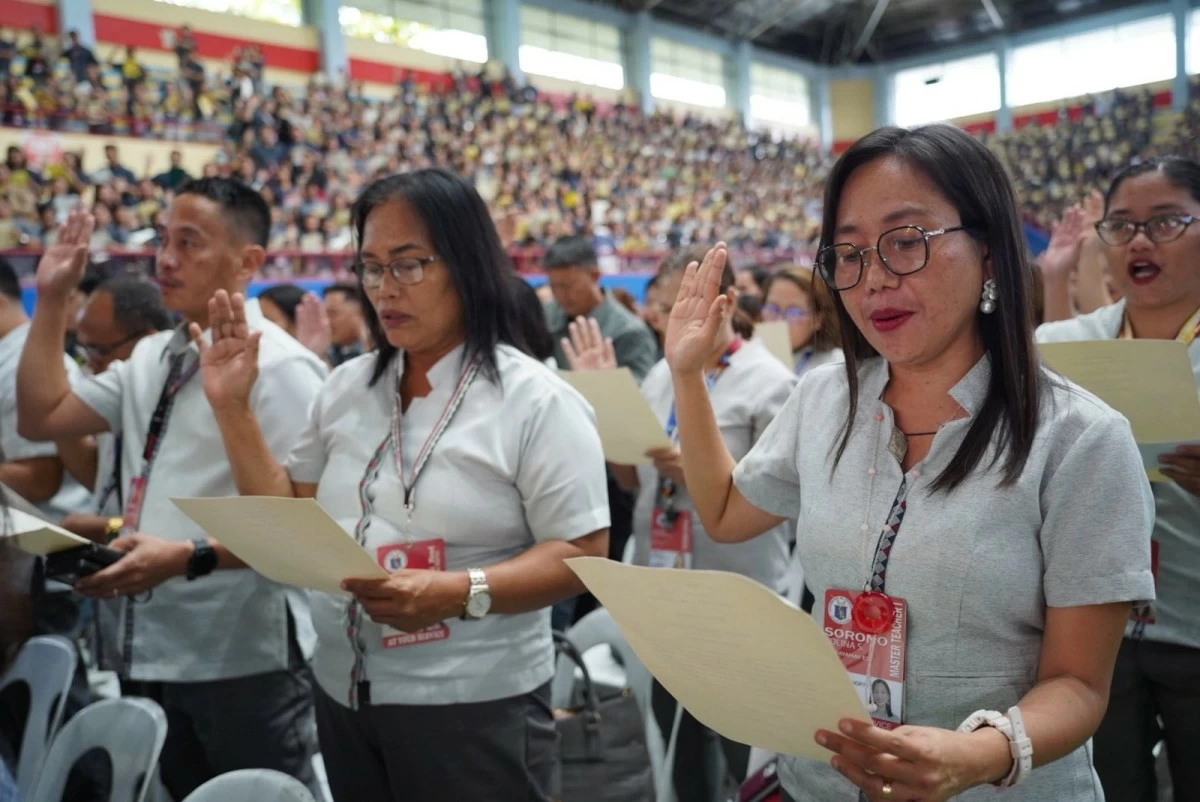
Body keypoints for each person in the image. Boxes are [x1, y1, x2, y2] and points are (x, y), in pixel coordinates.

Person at [664, 124, 1154, 801]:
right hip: (823, 781)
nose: (873, 282)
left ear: (986, 251)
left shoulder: (1080, 439)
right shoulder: (823, 398)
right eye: (850, 254)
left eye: (906, 242)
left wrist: (979, 753)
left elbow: (1078, 683)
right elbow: (722, 511)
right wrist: (689, 377)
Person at [195, 168, 610, 802]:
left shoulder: (536, 402)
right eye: (372, 268)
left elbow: (584, 554)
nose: (386, 289)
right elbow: (289, 514)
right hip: (342, 689)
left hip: (472, 701)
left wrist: (457, 592)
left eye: (409, 265)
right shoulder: (347, 387)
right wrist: (232, 408)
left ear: (467, 265)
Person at [15, 180, 326, 800]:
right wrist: (51, 300)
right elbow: (41, 416)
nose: (166, 259)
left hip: (239, 653)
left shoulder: (287, 368)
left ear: (249, 261)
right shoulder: (156, 353)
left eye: (190, 242)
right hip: (148, 639)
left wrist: (186, 555)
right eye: (162, 240)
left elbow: (302, 528)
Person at [563, 244, 797, 802]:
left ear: (727, 302)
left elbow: (777, 499)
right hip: (665, 585)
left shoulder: (771, 383)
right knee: (675, 741)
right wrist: (603, 405)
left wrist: (698, 465)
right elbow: (629, 482)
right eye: (665, 310)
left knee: (746, 746)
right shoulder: (662, 377)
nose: (672, 323)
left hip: (737, 591)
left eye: (682, 307)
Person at [1036, 156, 1200, 802]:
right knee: (1114, 786)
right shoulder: (1065, 343)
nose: (1140, 241)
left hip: (1194, 627)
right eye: (1123, 225)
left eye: (1166, 222)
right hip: (1099, 629)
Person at [59, 276, 171, 544]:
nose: (92, 364)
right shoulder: (116, 390)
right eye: (85, 349)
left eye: (99, 350)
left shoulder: (175, 404)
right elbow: (99, 477)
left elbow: (171, 524)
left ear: (148, 341)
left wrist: (107, 528)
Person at [542, 234, 657, 382]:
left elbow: (641, 395)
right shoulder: (546, 316)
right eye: (553, 286)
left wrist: (603, 382)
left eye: (568, 285)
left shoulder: (629, 332)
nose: (560, 294)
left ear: (595, 275)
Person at [762, 266, 842, 377]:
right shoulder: (752, 355)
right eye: (772, 309)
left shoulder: (835, 366)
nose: (779, 321)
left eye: (793, 313)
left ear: (817, 319)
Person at [322, 282, 366, 366]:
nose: (327, 321)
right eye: (324, 314)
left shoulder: (377, 353)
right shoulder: (326, 351)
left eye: (333, 313)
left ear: (360, 313)